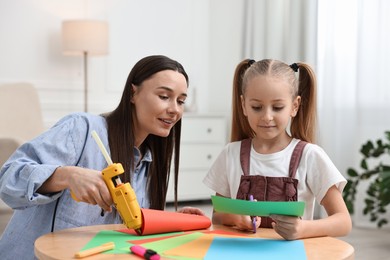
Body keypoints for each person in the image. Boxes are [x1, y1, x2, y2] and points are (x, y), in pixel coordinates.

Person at [0, 55, 204, 259]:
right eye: (164, 96)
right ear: (133, 93)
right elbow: (8, 179)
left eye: (181, 101)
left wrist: (170, 221)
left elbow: (130, 227)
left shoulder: (149, 161)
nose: (175, 110)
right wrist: (66, 176)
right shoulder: (81, 129)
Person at [203, 59, 352, 240]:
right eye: (256, 107)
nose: (267, 117)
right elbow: (217, 216)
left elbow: (343, 222)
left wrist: (303, 229)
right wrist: (236, 218)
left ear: (294, 106)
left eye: (277, 107)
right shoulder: (230, 154)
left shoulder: (310, 155)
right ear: (243, 105)